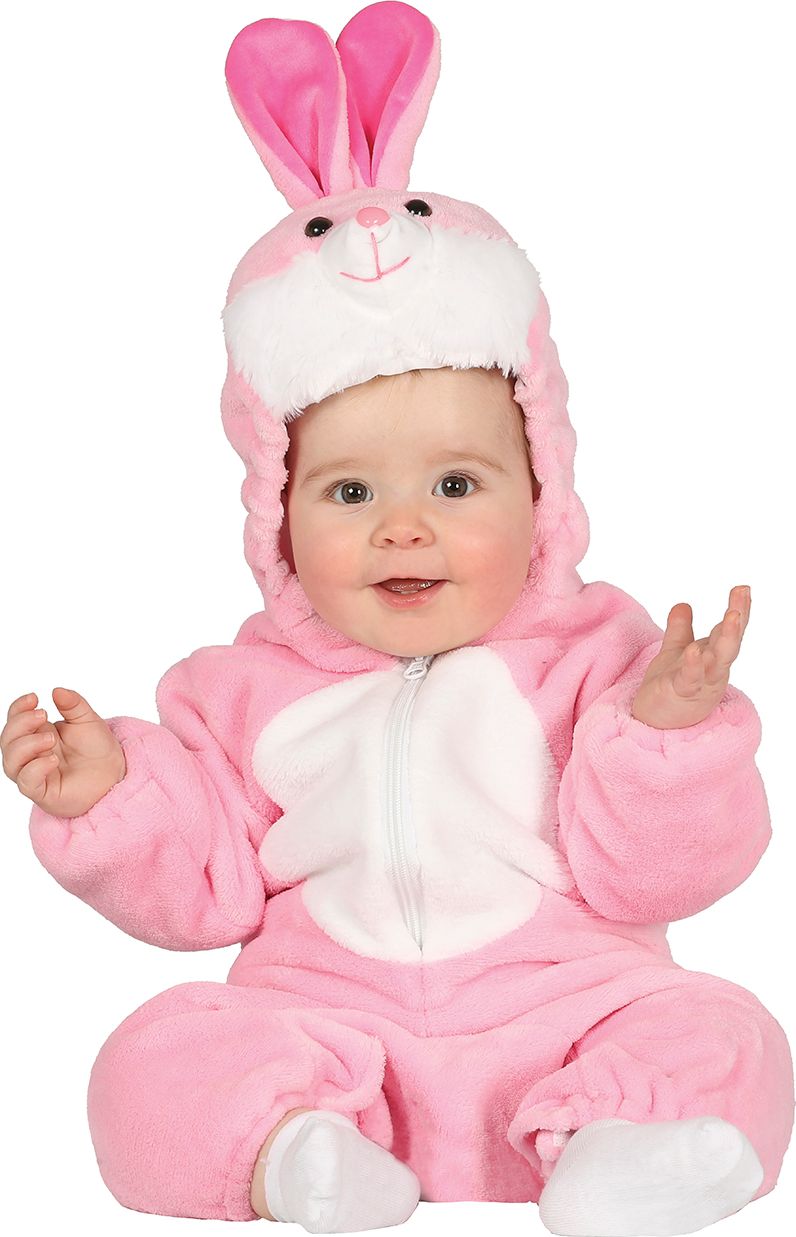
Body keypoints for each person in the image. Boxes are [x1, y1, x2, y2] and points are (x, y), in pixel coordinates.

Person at [2, 5, 793, 1235]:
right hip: (328, 1032)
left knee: (723, 1030)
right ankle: (297, 1156)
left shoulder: (599, 659)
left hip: (568, 1022)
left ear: (542, 490)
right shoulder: (232, 692)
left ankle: (620, 1157)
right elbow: (201, 897)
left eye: (457, 486)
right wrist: (111, 797)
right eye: (349, 493)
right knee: (147, 1058)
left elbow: (665, 870)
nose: (402, 529)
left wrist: (671, 737)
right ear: (274, 509)